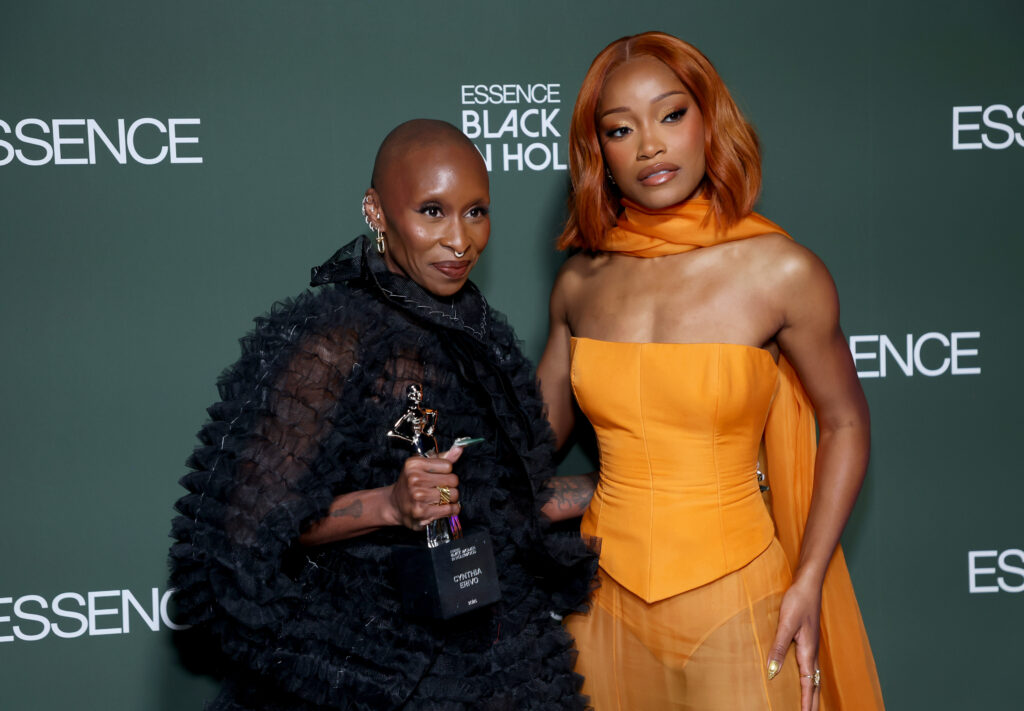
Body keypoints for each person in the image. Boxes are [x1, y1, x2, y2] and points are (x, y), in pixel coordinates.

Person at [169, 119, 595, 711]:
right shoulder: (331, 340)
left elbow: (497, 499)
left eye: (477, 212)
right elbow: (244, 535)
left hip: (485, 649)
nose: (459, 240)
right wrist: (388, 505)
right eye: (431, 211)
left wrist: (636, 487)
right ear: (376, 212)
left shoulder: (479, 336)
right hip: (363, 666)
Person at [537, 32, 885, 710]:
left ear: (709, 121)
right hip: (601, 605)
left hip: (741, 601)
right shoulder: (580, 281)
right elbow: (531, 441)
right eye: (619, 128)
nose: (649, 146)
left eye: (671, 115)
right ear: (597, 152)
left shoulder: (782, 270)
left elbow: (845, 422)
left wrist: (808, 577)